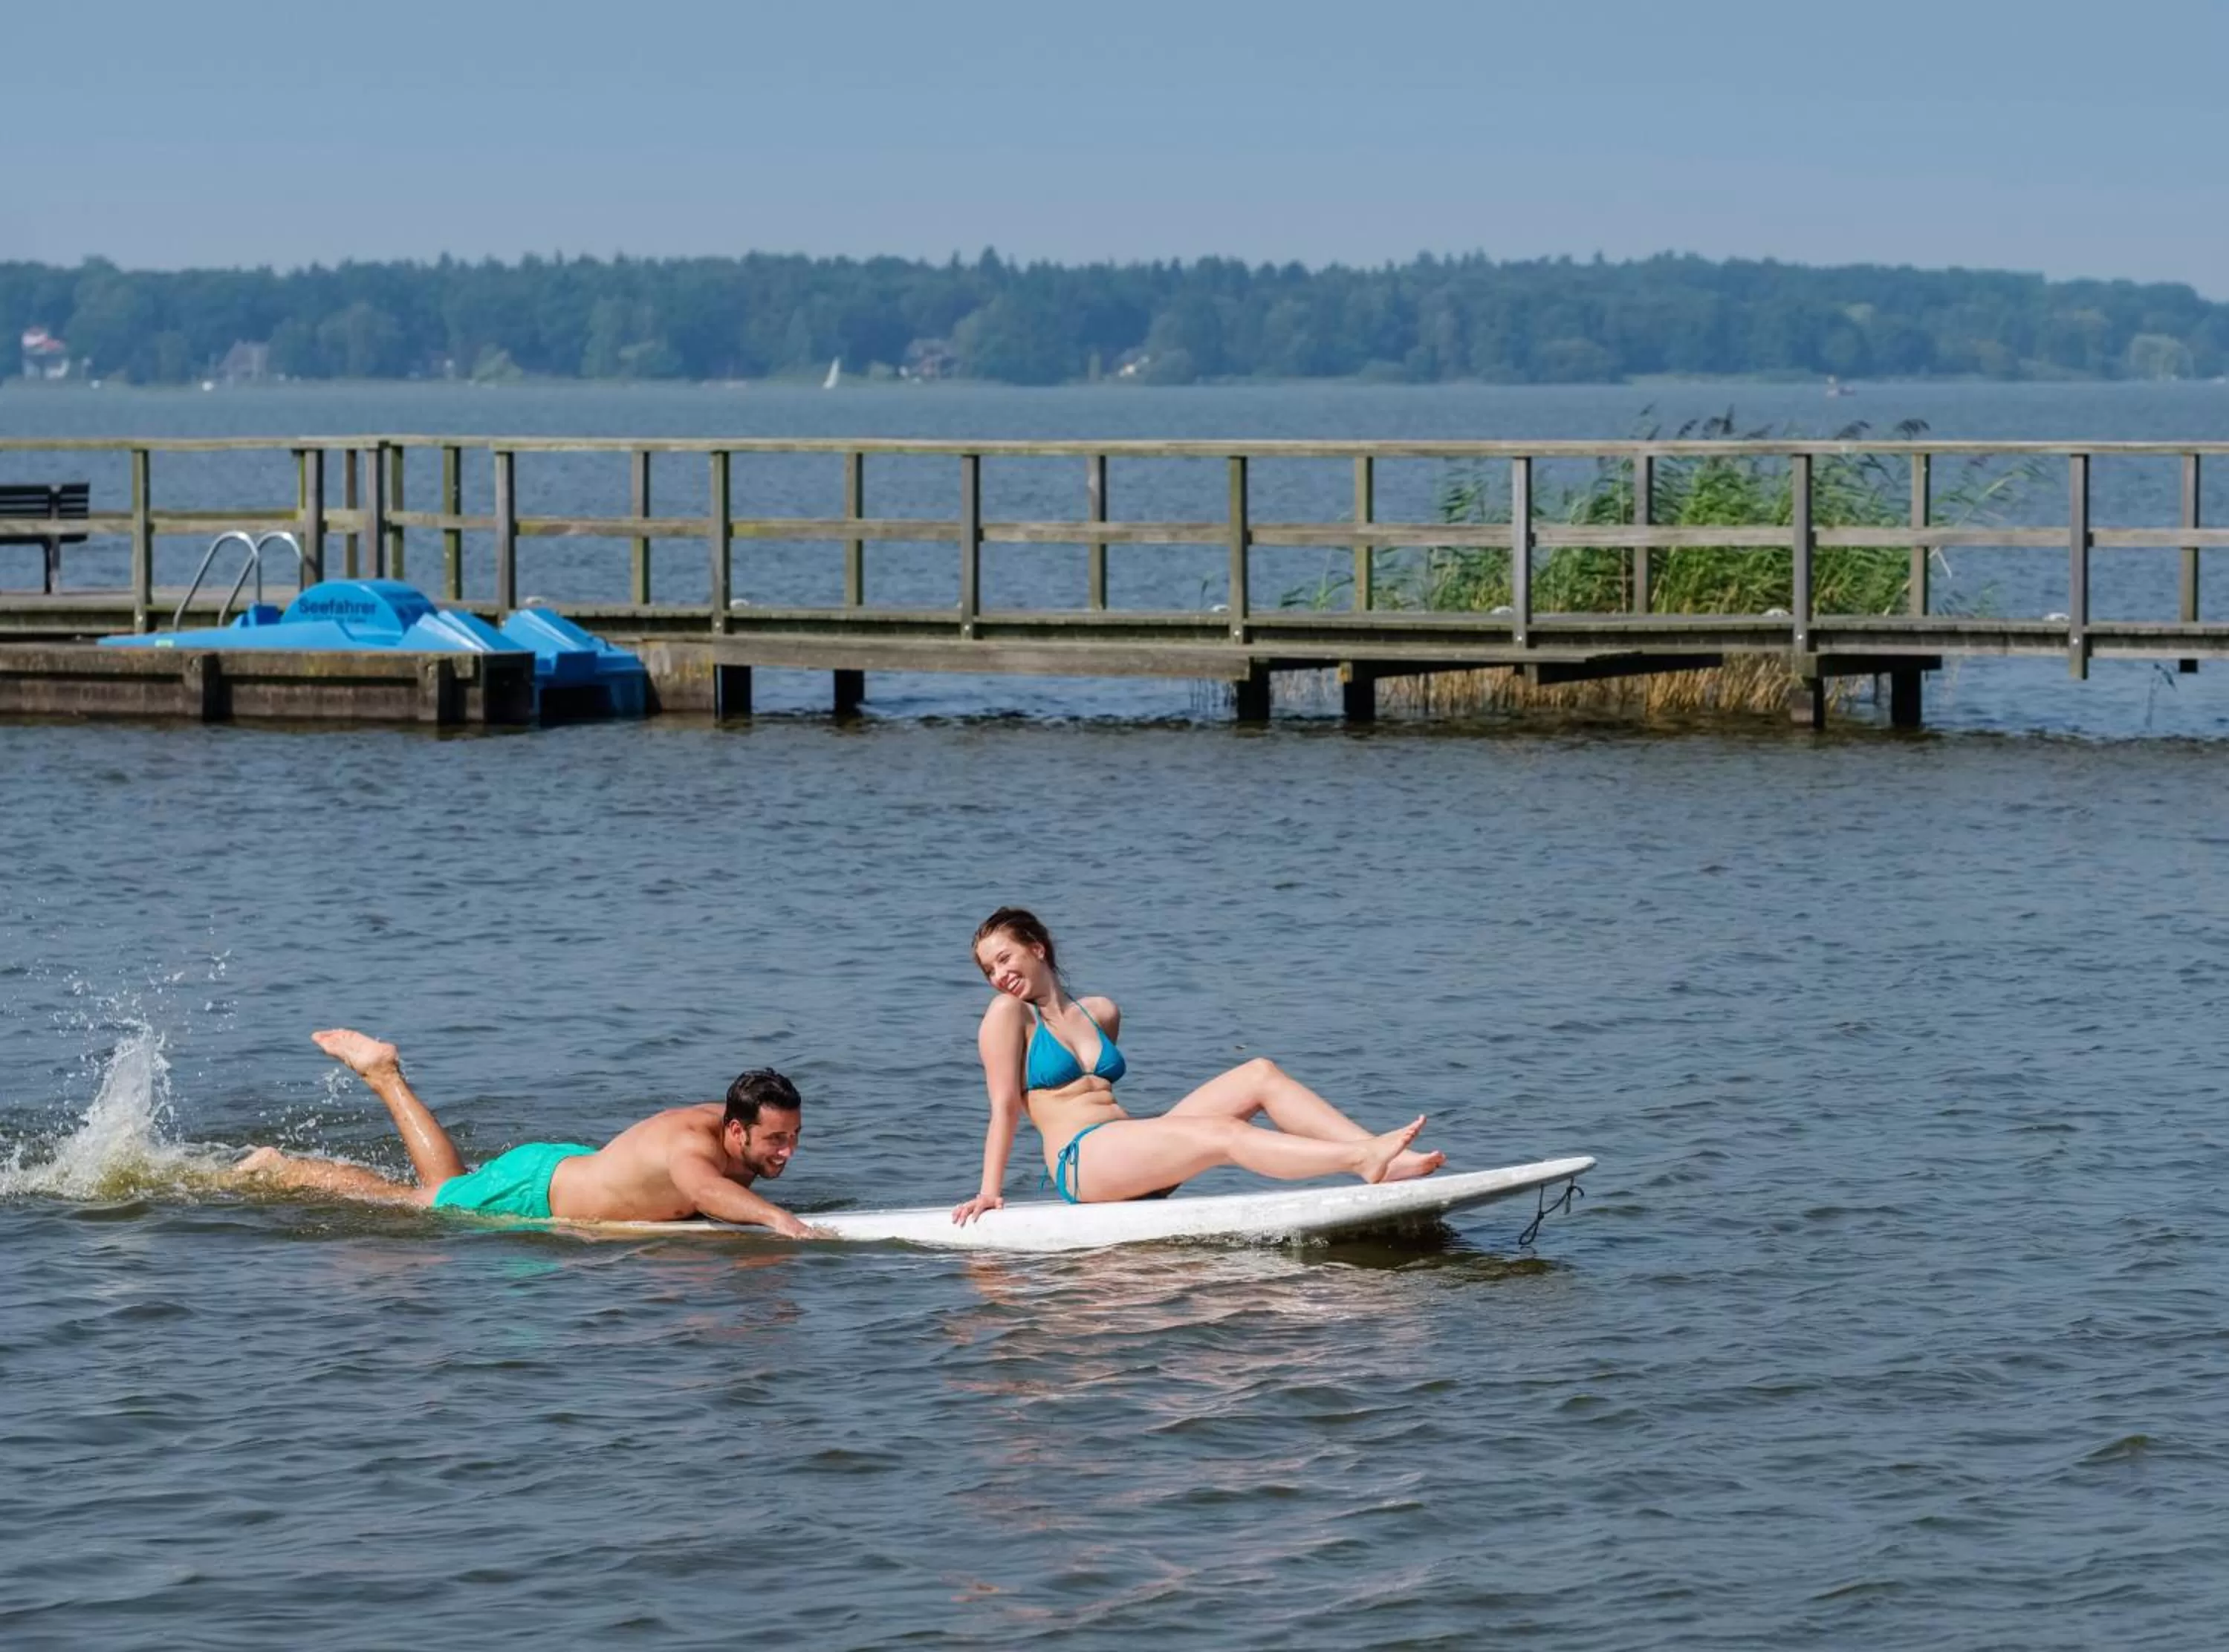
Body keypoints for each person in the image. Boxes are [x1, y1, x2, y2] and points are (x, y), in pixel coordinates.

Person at [953, 908, 1444, 1223]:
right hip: (1082, 1165)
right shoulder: (1008, 1016)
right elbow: (1004, 1109)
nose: (999, 976)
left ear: (1037, 948)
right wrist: (989, 1193)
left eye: (1004, 958)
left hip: (1130, 1153)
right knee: (1221, 1133)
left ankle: (1378, 1157)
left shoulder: (1100, 1012)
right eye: (989, 970)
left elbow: (1102, 1100)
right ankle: (1361, 1159)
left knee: (1260, 1074)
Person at [237, 1028, 822, 1238]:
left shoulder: (732, 1123)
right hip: (537, 1190)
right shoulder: (694, 1148)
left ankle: (385, 1075)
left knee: (446, 1184)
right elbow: (703, 1190)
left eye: (794, 1136)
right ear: (738, 1130)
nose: (788, 1150)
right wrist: (782, 1222)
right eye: (777, 1140)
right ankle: (279, 1166)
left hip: (572, 1169)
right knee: (415, 1202)